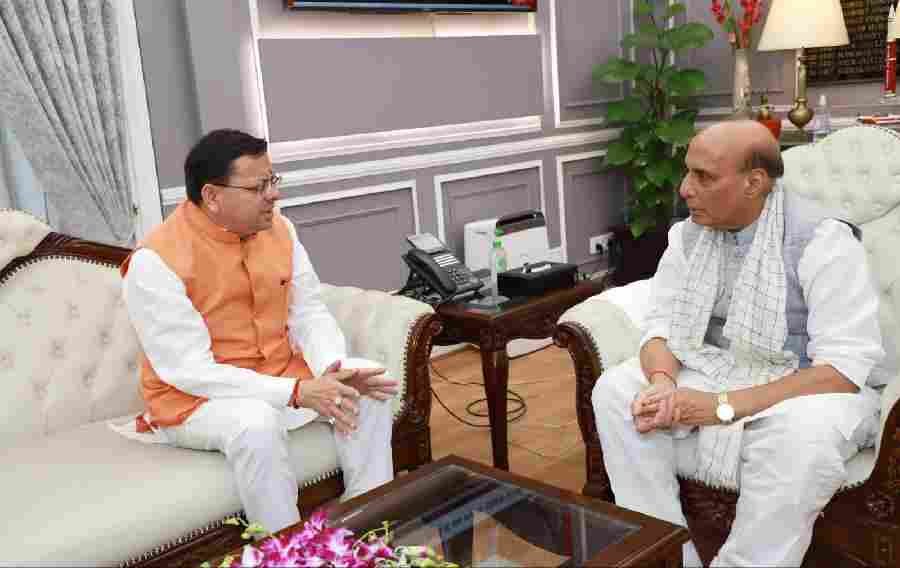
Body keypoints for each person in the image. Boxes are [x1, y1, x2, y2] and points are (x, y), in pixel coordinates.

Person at [592, 120, 885, 566]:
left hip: (808, 385)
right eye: (687, 172)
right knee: (617, 390)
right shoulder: (688, 235)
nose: (685, 189)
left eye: (704, 177)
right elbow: (662, 326)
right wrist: (662, 383)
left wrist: (723, 406)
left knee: (801, 438)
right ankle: (668, 556)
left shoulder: (822, 239)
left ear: (755, 182)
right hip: (716, 366)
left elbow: (843, 370)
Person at [116, 129, 398, 533]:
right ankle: (286, 549)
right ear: (212, 196)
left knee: (368, 384)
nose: (273, 195)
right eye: (258, 187)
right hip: (196, 400)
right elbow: (190, 371)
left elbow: (308, 312)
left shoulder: (281, 230)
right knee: (255, 421)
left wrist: (332, 369)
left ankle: (365, 528)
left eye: (273, 180)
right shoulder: (155, 262)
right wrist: (297, 392)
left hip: (279, 375)